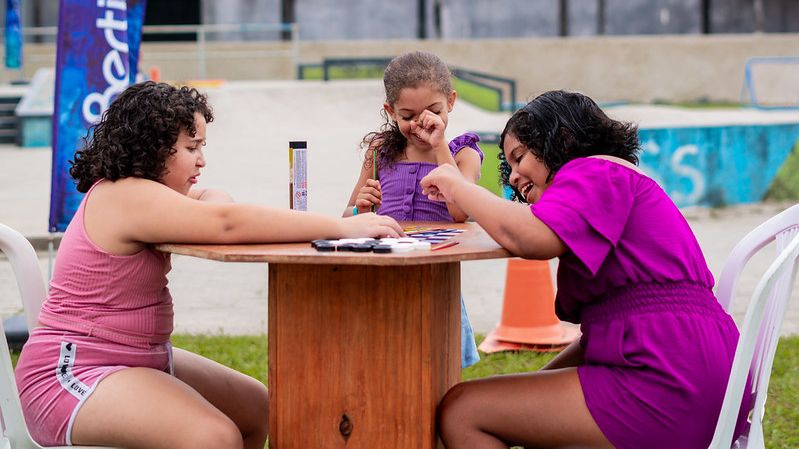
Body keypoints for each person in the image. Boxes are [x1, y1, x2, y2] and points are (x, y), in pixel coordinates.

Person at [14, 81, 403, 449]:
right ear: (153, 147)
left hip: (140, 358)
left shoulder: (157, 196)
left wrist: (213, 208)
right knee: (213, 437)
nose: (202, 159)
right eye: (191, 147)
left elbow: (218, 207)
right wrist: (340, 226)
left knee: (255, 409)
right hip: (70, 372)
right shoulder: (125, 196)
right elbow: (227, 222)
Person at [420, 90, 748, 448]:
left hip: (670, 378)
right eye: (508, 168)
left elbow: (529, 237)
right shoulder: (618, 184)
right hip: (705, 373)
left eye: (520, 158)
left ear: (560, 139)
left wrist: (457, 186)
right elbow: (601, 337)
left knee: (463, 411)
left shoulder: (593, 169)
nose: (513, 177)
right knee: (501, 411)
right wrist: (532, 389)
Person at [342, 51, 483, 368]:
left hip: (435, 274)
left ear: (451, 101)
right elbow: (347, 217)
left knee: (435, 359)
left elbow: (461, 212)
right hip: (382, 273)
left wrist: (439, 145)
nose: (422, 123)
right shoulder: (380, 151)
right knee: (384, 357)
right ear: (390, 111)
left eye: (433, 111)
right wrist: (361, 209)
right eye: (408, 116)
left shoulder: (463, 154)